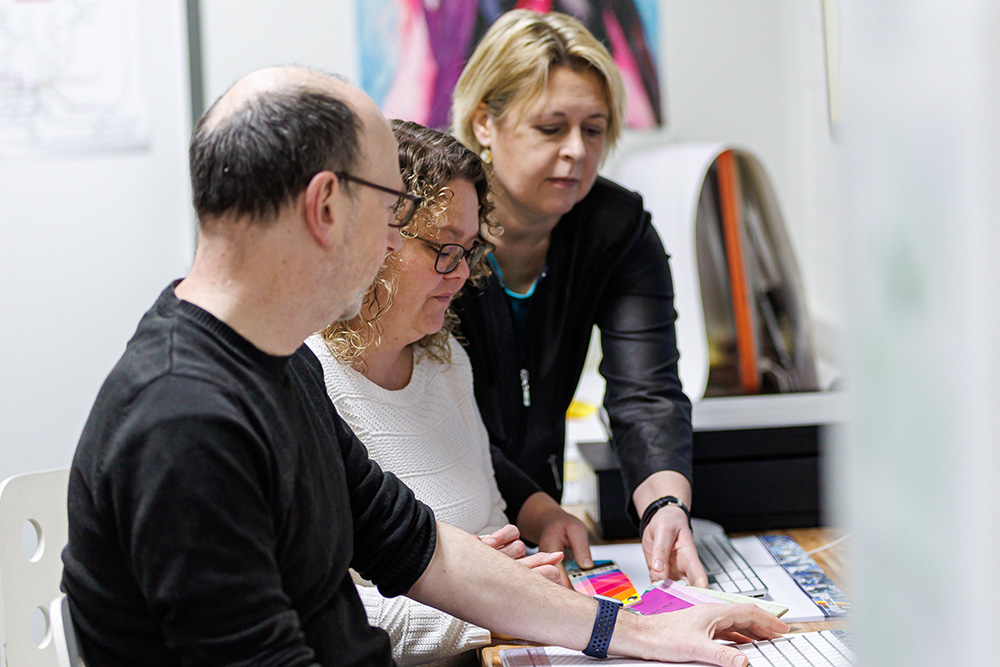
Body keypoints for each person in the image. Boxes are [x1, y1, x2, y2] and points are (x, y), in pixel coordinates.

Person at [61, 65, 786, 667]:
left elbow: (422, 549)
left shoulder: (273, 365)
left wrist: (642, 632)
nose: (390, 241)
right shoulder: (185, 420)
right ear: (325, 207)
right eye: (390, 206)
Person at [450, 9, 709, 587]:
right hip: (446, 519)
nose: (576, 150)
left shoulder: (617, 229)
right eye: (551, 127)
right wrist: (533, 505)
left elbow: (647, 394)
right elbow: (432, 417)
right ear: (485, 122)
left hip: (546, 528)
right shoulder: (434, 235)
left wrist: (666, 505)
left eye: (593, 130)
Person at [305, 120, 573, 665]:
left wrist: (526, 579)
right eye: (444, 248)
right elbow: (330, 617)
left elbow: (495, 521)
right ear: (374, 238)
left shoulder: (445, 358)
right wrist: (499, 609)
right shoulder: (308, 381)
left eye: (469, 251)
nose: (458, 276)